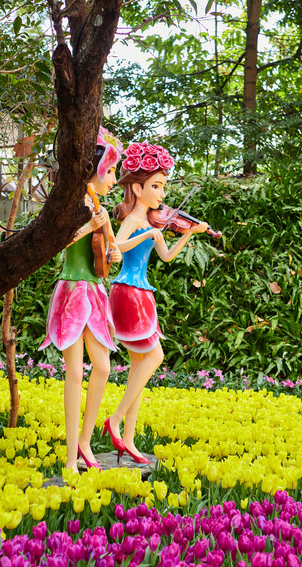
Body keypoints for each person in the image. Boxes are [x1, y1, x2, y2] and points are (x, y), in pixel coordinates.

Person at [102, 142, 208, 464]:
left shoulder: (152, 223)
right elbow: (114, 246)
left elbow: (166, 256)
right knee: (155, 356)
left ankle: (129, 441)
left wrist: (189, 233)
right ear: (137, 187)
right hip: (128, 291)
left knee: (138, 366)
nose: (162, 194)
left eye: (163, 186)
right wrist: (145, 235)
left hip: (143, 293)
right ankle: (115, 420)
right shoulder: (135, 220)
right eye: (156, 186)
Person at [39, 127, 124, 473]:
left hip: (95, 291)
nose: (114, 179)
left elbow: (112, 251)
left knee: (102, 367)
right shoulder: (73, 202)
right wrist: (92, 226)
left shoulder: (98, 204)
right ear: (97, 169)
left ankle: (85, 442)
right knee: (74, 373)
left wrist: (111, 242)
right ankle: (70, 457)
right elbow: (57, 243)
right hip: (72, 290)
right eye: (111, 171)